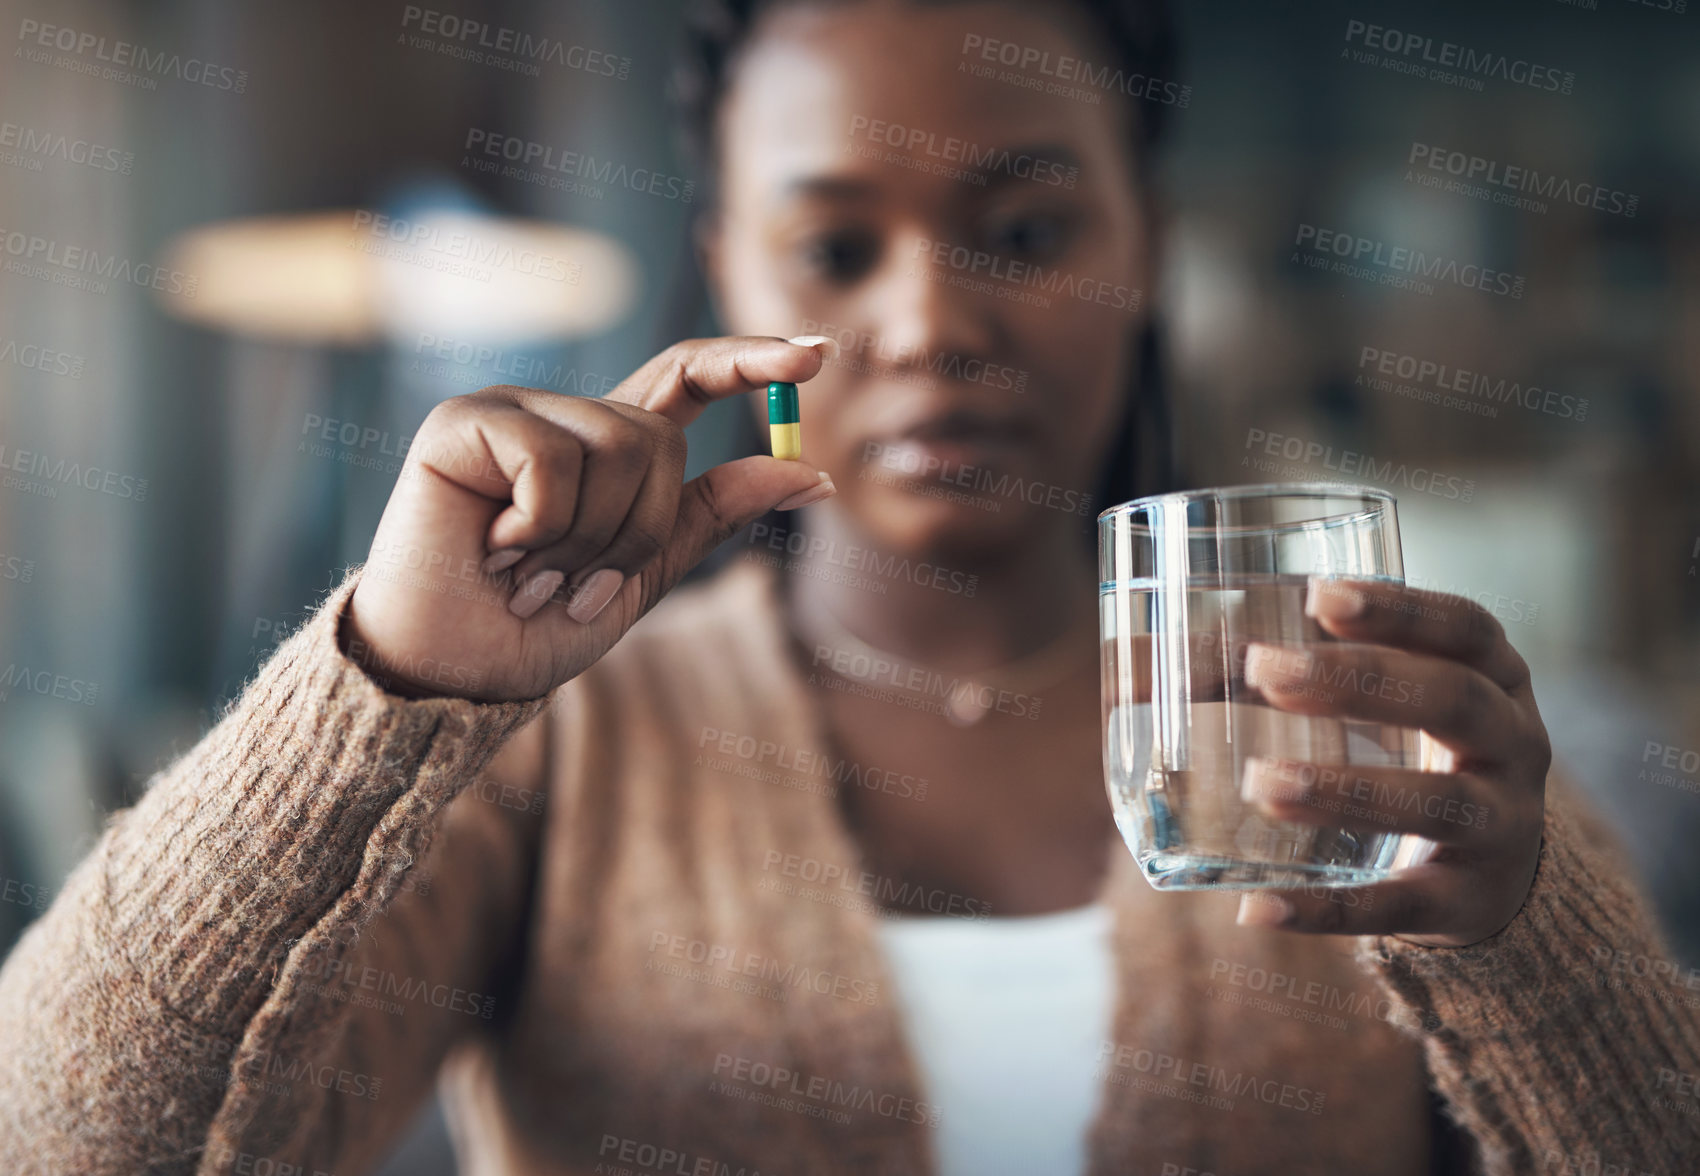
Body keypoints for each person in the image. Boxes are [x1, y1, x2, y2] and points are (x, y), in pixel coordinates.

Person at [1, 0, 1695, 1173]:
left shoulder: (1364, 752)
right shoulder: (562, 746)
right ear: (732, 270)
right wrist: (376, 684)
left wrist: (1532, 944)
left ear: (1141, 249)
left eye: (1026, 234)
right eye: (832, 249)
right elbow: (63, 1140)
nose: (930, 325)